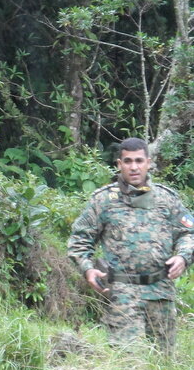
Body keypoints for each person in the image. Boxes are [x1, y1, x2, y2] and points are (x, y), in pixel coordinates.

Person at [67, 137, 194, 356]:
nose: (133, 167)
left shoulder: (167, 199)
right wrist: (88, 268)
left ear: (148, 162)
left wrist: (183, 257)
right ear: (119, 164)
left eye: (138, 161)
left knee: (163, 365)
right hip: (122, 294)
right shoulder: (103, 200)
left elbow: (188, 233)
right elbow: (80, 240)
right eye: (127, 161)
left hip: (160, 291)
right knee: (128, 361)